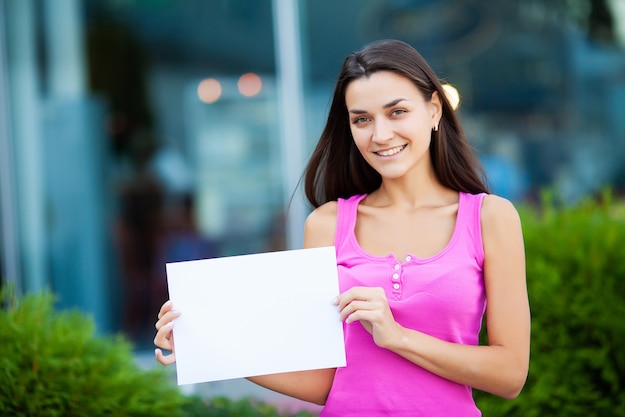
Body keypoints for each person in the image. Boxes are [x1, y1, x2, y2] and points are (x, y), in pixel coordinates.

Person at [154, 39, 530, 416]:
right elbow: (323, 381)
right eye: (362, 119)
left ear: (433, 110)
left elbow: (510, 374)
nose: (380, 135)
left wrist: (398, 337)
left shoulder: (489, 218)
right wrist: (205, 345)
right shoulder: (326, 224)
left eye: (397, 112)